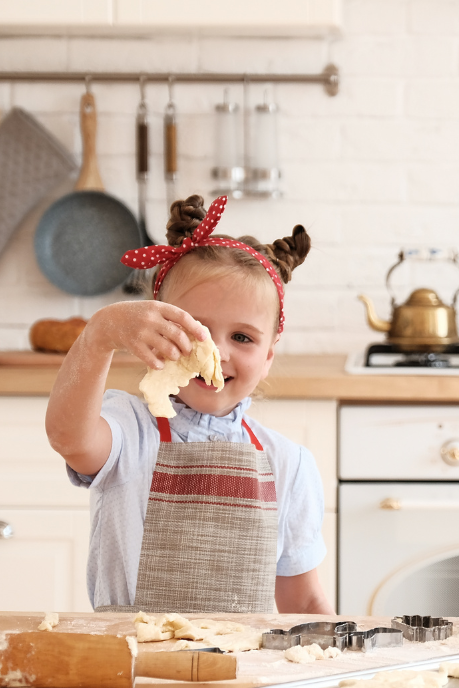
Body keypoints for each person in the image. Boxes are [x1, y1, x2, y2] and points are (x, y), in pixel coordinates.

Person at [46, 194, 332, 615]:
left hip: (240, 656)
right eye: (195, 329)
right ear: (156, 329)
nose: (217, 351)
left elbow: (303, 600)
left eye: (243, 337)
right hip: (130, 650)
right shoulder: (129, 429)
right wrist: (99, 335)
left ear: (269, 355)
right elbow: (68, 437)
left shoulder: (288, 464)